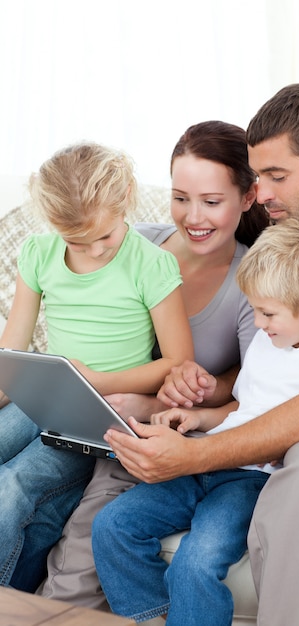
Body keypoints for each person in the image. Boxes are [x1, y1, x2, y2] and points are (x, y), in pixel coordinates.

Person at [98, 82, 299, 626]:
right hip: (271, 432)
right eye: (256, 177)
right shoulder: (282, 241)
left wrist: (197, 454)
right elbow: (255, 378)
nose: (262, 192)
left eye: (276, 176)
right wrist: (191, 416)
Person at [92, 218, 299, 625]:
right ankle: (154, 618)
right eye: (254, 310)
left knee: (195, 563)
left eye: (267, 313)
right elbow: (244, 408)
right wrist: (198, 416)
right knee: (112, 526)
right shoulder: (269, 340)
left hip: (252, 480)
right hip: (206, 458)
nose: (257, 323)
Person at [26, 121, 269, 606]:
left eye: (211, 201)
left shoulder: (255, 277)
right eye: (180, 197)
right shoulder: (130, 244)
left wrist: (168, 395)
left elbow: (254, 383)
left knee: (85, 540)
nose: (192, 216)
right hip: (90, 414)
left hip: (162, 431)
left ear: (247, 198)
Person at [0, 141, 194, 591]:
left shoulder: (152, 265)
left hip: (94, 417)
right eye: (76, 241)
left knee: (13, 485)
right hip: (39, 398)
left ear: (126, 196)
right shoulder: (38, 254)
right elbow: (12, 351)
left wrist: (98, 381)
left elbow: (178, 362)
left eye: (105, 236)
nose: (96, 250)